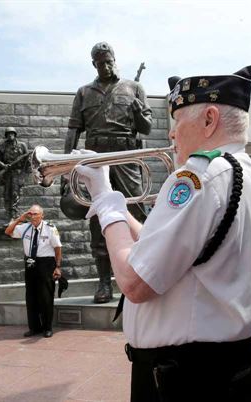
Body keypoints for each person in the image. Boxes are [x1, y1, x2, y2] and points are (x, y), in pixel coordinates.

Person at [75, 66, 251, 401]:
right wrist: (122, 212)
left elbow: (135, 283)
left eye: (177, 122)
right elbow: (165, 244)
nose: (171, 134)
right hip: (223, 366)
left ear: (209, 119)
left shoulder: (198, 177)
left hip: (190, 376)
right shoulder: (237, 172)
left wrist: (106, 202)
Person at [63, 41, 153, 304]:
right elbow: (73, 131)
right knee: (97, 217)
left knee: (136, 209)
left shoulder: (134, 88)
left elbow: (146, 127)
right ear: (94, 64)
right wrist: (67, 169)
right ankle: (104, 282)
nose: (105, 65)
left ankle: (144, 272)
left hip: (126, 157)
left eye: (108, 60)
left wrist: (137, 110)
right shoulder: (83, 92)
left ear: (115, 59)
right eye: (99, 62)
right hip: (96, 157)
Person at [5, 204, 62, 338]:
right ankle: (34, 327)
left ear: (42, 215)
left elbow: (58, 248)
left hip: (46, 263)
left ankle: (47, 327)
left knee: (46, 296)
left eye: (36, 214)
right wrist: (20, 218)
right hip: (30, 263)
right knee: (31, 297)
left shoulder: (50, 229)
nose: (33, 216)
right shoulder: (25, 228)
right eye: (31, 214)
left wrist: (58, 266)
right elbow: (8, 232)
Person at [0, 127, 30, 221]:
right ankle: (8, 215)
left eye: (12, 134)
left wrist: (24, 176)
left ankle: (14, 216)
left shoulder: (22, 146)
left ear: (15, 135)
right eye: (8, 134)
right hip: (7, 173)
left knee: (15, 194)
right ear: (6, 136)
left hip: (17, 173)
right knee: (7, 194)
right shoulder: (3, 146)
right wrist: (3, 165)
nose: (10, 136)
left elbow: (27, 162)